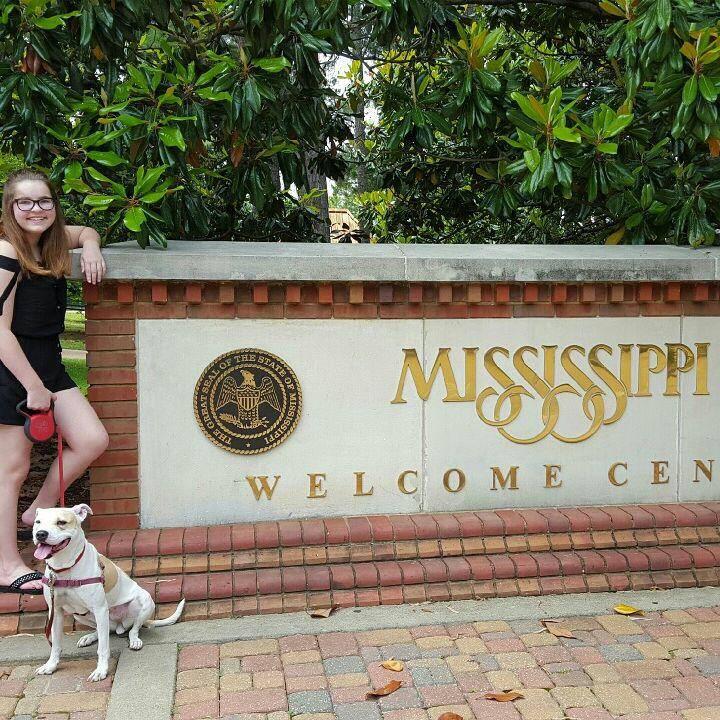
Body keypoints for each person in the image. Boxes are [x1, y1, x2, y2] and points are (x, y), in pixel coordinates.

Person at [0, 168, 109, 595]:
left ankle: (39, 511)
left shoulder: (50, 241)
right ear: (10, 208)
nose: (36, 209)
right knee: (12, 469)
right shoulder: (7, 252)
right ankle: (7, 565)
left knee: (92, 439)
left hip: (50, 365)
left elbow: (85, 231)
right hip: (13, 371)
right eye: (25, 202)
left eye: (44, 201)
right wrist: (32, 387)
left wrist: (92, 246)